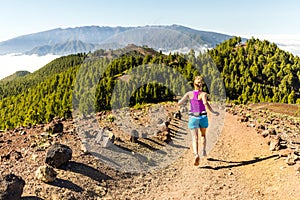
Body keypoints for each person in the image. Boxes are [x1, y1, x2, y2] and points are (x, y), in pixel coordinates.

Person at [178, 76, 219, 166]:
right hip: (203, 117)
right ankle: (203, 150)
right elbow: (205, 103)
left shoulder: (189, 94)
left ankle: (196, 154)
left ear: (194, 84)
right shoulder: (203, 94)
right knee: (203, 135)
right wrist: (213, 112)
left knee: (194, 137)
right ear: (201, 85)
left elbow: (180, 102)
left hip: (193, 117)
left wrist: (183, 104)